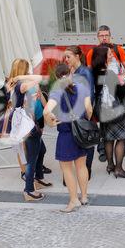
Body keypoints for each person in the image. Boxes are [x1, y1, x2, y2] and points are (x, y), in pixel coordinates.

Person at [0, 59, 51, 202]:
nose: (30, 72)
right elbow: (39, 78)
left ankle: (38, 179)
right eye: (27, 69)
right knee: (32, 158)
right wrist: (21, 77)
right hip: (28, 124)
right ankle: (28, 190)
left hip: (25, 122)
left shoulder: (11, 84)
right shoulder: (21, 84)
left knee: (40, 150)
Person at [44, 64, 92, 213]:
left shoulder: (57, 91)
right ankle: (84, 197)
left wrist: (51, 122)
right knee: (82, 166)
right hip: (82, 134)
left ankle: (73, 200)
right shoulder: (82, 87)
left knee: (67, 169)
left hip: (66, 134)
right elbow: (89, 109)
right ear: (71, 73)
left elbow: (47, 110)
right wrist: (84, 122)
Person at [86, 25, 125, 162]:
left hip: (119, 90)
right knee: (104, 122)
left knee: (121, 120)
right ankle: (103, 150)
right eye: (101, 35)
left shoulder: (118, 50)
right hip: (102, 92)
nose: (104, 38)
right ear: (97, 37)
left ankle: (124, 146)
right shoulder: (92, 53)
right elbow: (90, 74)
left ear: (110, 36)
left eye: (106, 35)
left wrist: (123, 77)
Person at [92, 45, 125, 178]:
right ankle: (119, 169)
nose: (112, 55)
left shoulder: (95, 71)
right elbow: (120, 93)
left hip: (102, 109)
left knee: (108, 138)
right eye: (109, 54)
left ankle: (110, 165)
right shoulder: (110, 73)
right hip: (114, 107)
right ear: (104, 57)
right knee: (121, 138)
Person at [64, 46, 95, 179]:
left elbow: (90, 95)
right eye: (65, 57)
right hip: (71, 113)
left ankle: (86, 170)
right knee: (73, 141)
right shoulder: (72, 71)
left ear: (77, 56)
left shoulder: (85, 72)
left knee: (86, 141)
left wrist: (87, 114)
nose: (66, 59)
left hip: (81, 113)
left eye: (68, 56)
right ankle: (71, 174)